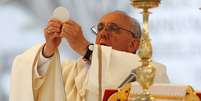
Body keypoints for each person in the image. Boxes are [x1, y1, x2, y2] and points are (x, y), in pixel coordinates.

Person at [10, 11, 169, 101]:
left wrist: (86, 48)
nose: (103, 34)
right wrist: (48, 52)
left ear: (133, 44)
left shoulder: (150, 72)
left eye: (113, 28)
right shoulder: (69, 71)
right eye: (100, 28)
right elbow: (34, 86)